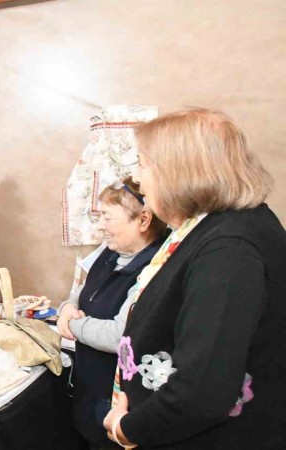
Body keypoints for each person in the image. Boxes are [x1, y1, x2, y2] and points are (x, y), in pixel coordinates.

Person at [102, 109, 286, 449]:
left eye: (143, 165)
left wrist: (128, 429)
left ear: (180, 172)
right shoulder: (215, 228)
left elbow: (202, 392)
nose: (138, 180)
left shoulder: (229, 250)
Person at [56, 177, 168, 448]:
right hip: (89, 391)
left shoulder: (154, 270)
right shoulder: (110, 252)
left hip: (118, 404)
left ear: (143, 220)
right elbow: (81, 293)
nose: (100, 226)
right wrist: (67, 307)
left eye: (107, 217)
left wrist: (71, 323)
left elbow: (120, 335)